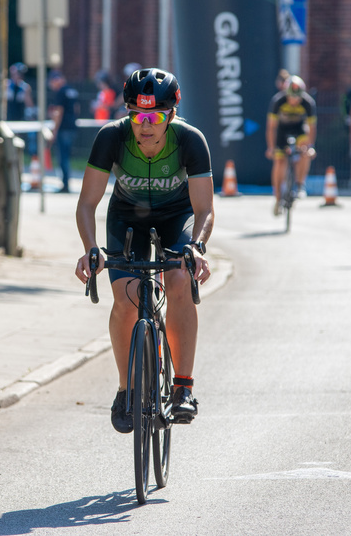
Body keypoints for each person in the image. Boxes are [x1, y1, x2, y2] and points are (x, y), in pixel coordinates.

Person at [74, 68, 214, 433]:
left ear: (170, 115)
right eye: (136, 114)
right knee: (125, 298)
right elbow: (87, 204)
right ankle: (126, 389)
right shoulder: (111, 138)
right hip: (126, 219)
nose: (144, 124)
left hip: (176, 217)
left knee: (179, 278)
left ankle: (183, 387)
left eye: (153, 116)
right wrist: (92, 250)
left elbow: (204, 209)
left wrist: (197, 248)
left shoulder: (190, 141)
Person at [265, 75, 317, 216]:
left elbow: (312, 127)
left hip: (299, 130)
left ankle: (300, 184)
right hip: (282, 132)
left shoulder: (308, 103)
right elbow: (271, 127)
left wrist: (311, 146)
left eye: (297, 98)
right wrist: (271, 148)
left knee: (305, 151)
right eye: (291, 97)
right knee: (279, 161)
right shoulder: (278, 101)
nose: (294, 101)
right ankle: (277, 198)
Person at [48, 69, 80, 193]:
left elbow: (59, 112)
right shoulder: (72, 91)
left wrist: (54, 130)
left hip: (63, 128)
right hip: (72, 126)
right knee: (66, 156)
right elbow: (77, 109)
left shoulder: (61, 92)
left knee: (63, 157)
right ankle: (66, 182)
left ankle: (65, 184)